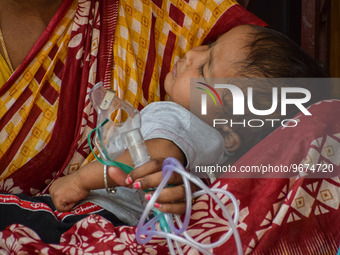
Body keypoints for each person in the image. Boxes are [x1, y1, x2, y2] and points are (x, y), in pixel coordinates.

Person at [49, 24, 327, 219]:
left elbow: (151, 158)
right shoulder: (222, 150)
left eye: (205, 70)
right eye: (210, 45)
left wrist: (79, 181)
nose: (192, 53)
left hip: (100, 214)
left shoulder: (178, 117)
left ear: (230, 132)